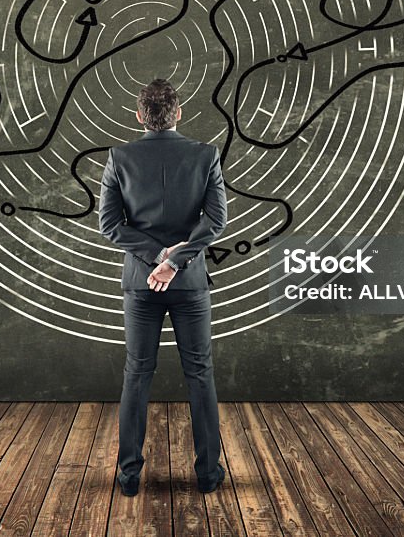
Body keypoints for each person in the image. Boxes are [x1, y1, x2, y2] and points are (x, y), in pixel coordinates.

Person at [98, 78, 228, 497]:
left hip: (141, 284)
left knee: (136, 374)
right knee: (201, 375)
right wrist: (175, 261)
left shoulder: (120, 157)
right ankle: (208, 475)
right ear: (179, 113)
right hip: (190, 285)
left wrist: (156, 258)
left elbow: (110, 226)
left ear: (140, 116)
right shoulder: (205, 155)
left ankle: (129, 475)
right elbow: (215, 221)